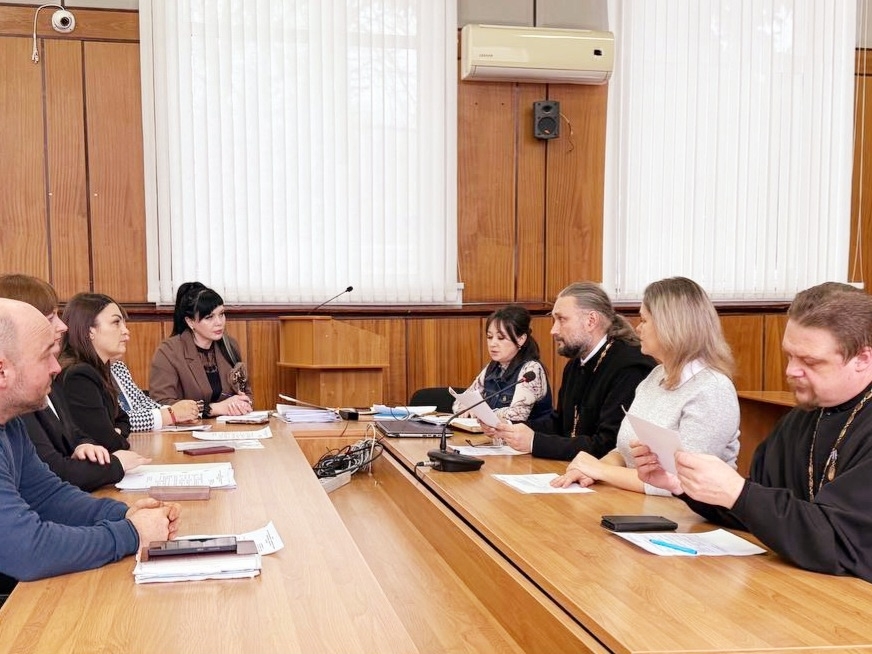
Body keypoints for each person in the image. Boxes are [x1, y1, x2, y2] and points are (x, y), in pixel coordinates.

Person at [631, 282, 872, 581]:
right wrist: (683, 485)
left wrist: (739, 493)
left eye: (809, 361)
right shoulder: (802, 417)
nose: (791, 371)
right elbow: (755, 512)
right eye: (789, 356)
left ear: (863, 359)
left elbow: (842, 542)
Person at [0, 297, 179, 597]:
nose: (56, 368)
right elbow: (27, 549)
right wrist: (132, 533)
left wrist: (123, 514)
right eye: (46, 357)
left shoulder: (11, 421)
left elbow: (47, 496)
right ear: (2, 370)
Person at [552, 277, 739, 493]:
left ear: (671, 326)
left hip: (686, 511)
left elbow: (680, 482)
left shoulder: (712, 389)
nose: (638, 329)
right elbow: (623, 451)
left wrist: (600, 471)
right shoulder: (655, 376)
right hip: (633, 500)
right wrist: (590, 470)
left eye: (644, 320)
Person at [0, 275, 148, 491]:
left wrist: (83, 445)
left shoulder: (49, 377)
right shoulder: (23, 399)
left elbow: (77, 433)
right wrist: (115, 464)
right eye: (51, 317)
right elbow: (54, 472)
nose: (62, 326)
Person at [489, 282, 656, 460]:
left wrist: (534, 442)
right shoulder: (575, 365)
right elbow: (560, 423)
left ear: (591, 321)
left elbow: (609, 445)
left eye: (561, 319)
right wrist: (509, 427)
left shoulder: (629, 367)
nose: (553, 330)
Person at [149, 282, 253, 417]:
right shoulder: (168, 352)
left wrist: (243, 403)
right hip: (187, 428)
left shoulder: (230, 345)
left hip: (229, 425)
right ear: (190, 322)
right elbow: (161, 405)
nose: (219, 322)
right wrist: (214, 409)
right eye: (209, 317)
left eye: (221, 314)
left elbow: (245, 391)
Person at [58, 293, 132, 452]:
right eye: (116, 322)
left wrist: (117, 432)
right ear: (89, 330)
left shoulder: (98, 368)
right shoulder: (78, 376)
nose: (126, 331)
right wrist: (117, 436)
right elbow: (107, 442)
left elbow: (124, 420)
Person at [454, 305, 552, 423]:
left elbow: (517, 415)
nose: (492, 344)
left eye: (501, 338)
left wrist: (480, 412)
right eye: (489, 337)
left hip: (530, 434)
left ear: (521, 339)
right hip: (493, 434)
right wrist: (465, 408)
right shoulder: (492, 367)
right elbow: (460, 401)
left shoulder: (531, 369)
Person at [111, 360, 200, 432]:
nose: (127, 341)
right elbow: (117, 421)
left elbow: (142, 401)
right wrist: (170, 415)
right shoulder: (101, 376)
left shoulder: (118, 366)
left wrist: (179, 413)